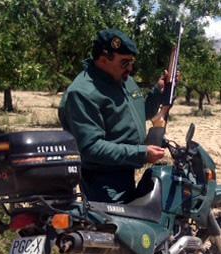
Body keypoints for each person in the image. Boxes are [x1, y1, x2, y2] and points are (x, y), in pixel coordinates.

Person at [59, 29, 171, 204]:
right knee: (116, 229)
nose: (130, 68)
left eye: (131, 61)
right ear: (103, 60)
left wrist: (158, 91)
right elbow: (91, 148)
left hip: (125, 171)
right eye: (124, 62)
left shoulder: (124, 80)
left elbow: (141, 113)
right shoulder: (82, 93)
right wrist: (141, 153)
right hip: (103, 184)